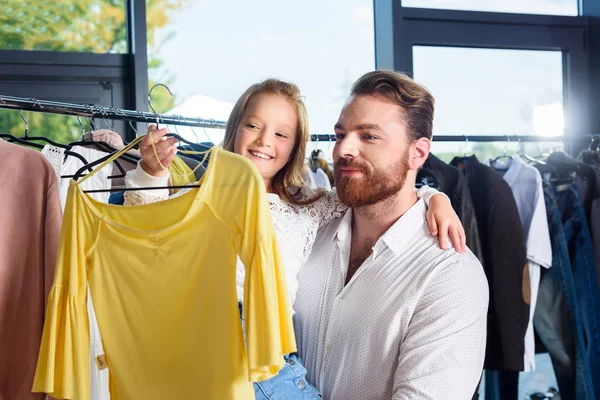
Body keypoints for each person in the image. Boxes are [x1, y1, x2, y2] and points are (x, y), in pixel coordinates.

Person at [126, 78, 467, 399]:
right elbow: (146, 225)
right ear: (235, 129)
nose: (264, 141)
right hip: (209, 340)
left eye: (281, 134)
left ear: (294, 148)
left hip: (269, 352)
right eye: (253, 126)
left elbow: (375, 197)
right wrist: (151, 173)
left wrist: (433, 198)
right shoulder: (198, 198)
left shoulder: (306, 205)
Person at [293, 70, 489, 400]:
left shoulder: (451, 275)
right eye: (340, 135)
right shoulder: (306, 229)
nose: (343, 150)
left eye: (368, 136)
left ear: (418, 153)